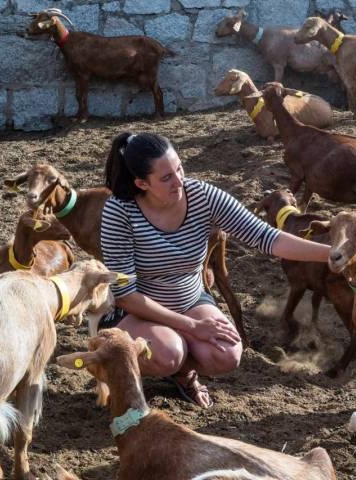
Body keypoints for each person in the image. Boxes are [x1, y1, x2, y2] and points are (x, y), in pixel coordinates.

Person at [99, 132, 330, 409]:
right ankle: (116, 367)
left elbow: (268, 238)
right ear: (141, 183)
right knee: (168, 352)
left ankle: (182, 375)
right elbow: (125, 295)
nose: (179, 181)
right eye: (166, 178)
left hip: (189, 299)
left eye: (179, 168)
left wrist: (332, 254)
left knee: (227, 353)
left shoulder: (202, 196)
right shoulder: (119, 212)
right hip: (136, 310)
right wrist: (194, 327)